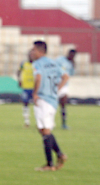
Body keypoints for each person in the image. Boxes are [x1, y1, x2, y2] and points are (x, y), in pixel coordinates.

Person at [31, 40, 69, 171]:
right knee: (42, 129)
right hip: (52, 100)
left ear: (39, 51)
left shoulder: (37, 64)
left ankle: (49, 164)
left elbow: (38, 78)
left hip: (43, 99)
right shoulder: (54, 63)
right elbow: (65, 76)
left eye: (34, 50)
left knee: (45, 130)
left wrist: (35, 93)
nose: (32, 52)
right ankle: (60, 155)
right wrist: (57, 89)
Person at [56, 49, 76, 129]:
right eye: (71, 54)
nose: (71, 56)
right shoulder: (60, 59)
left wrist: (74, 66)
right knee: (52, 104)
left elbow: (71, 74)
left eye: (73, 56)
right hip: (56, 84)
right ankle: (48, 123)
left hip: (64, 85)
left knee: (63, 104)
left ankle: (64, 123)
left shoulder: (71, 64)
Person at [17, 50, 35, 127]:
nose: (30, 56)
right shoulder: (24, 63)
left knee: (37, 104)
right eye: (29, 55)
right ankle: (27, 121)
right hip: (26, 87)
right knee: (25, 103)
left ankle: (40, 122)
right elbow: (18, 71)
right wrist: (19, 80)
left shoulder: (37, 64)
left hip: (35, 87)